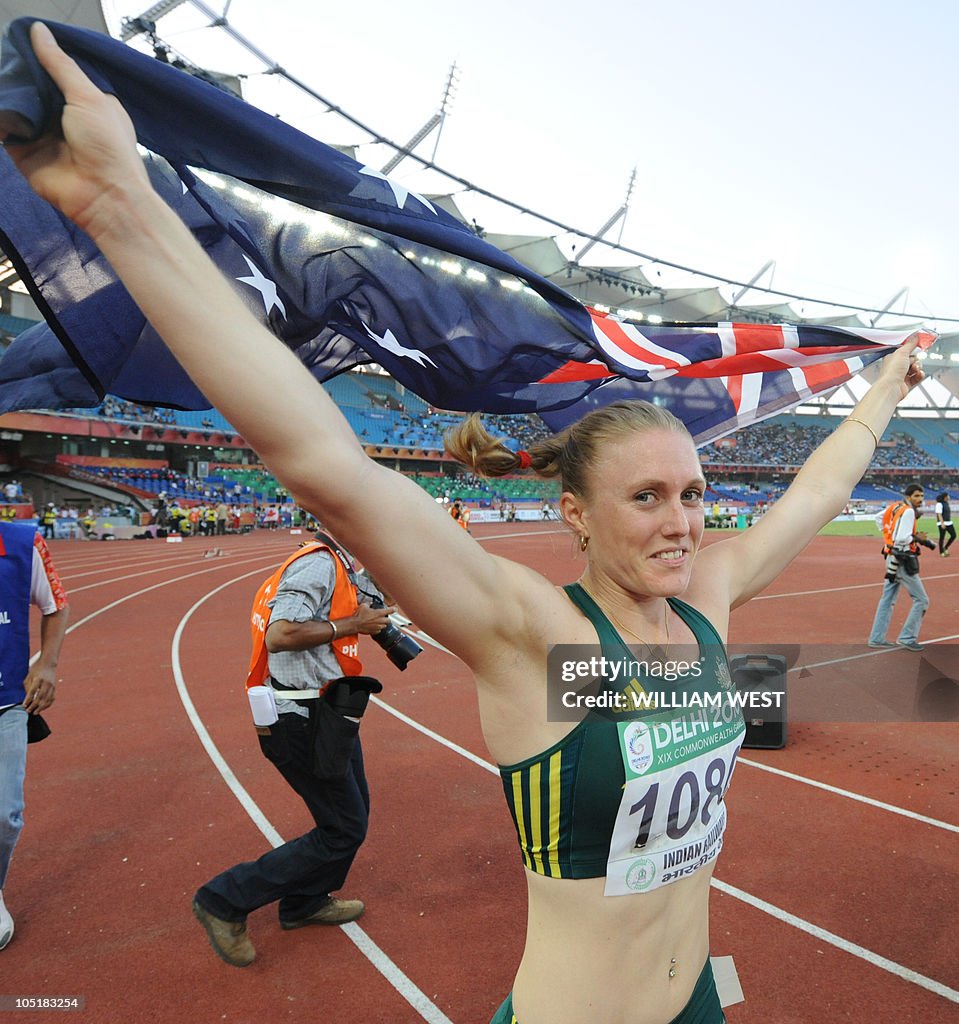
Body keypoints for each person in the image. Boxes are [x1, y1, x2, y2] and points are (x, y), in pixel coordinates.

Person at [7, 25, 926, 1020]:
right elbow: (328, 468)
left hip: (694, 998)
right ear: (573, 512)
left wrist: (880, 391)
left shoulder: (704, 603)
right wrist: (119, 207)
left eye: (694, 494)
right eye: (647, 497)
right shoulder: (532, 636)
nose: (681, 522)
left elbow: (813, 495)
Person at [191, 535, 395, 967]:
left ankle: (305, 901)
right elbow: (281, 634)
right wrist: (350, 627)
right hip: (299, 720)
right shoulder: (318, 564)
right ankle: (223, 899)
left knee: (351, 815)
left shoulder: (342, 565)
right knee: (343, 828)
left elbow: (374, 607)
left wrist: (384, 569)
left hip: (328, 713)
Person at [0, 518, 69, 950]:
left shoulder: (24, 543)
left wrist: (46, 665)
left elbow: (56, 605)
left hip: (6, 700)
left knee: (5, 813)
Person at [868, 483, 933, 652]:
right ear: (909, 496)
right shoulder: (909, 511)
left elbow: (878, 518)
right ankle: (907, 637)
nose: (920, 499)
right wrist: (916, 538)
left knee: (887, 599)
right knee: (922, 599)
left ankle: (876, 638)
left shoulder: (895, 506)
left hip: (890, 557)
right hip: (902, 559)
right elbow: (903, 538)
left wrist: (888, 536)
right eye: (917, 496)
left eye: (922, 496)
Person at [934, 490, 954, 557]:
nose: (949, 497)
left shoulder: (946, 503)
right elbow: (939, 514)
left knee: (953, 535)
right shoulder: (939, 504)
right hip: (942, 523)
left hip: (949, 522)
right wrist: (942, 523)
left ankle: (945, 547)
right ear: (945, 497)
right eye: (948, 495)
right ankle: (941, 552)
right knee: (942, 537)